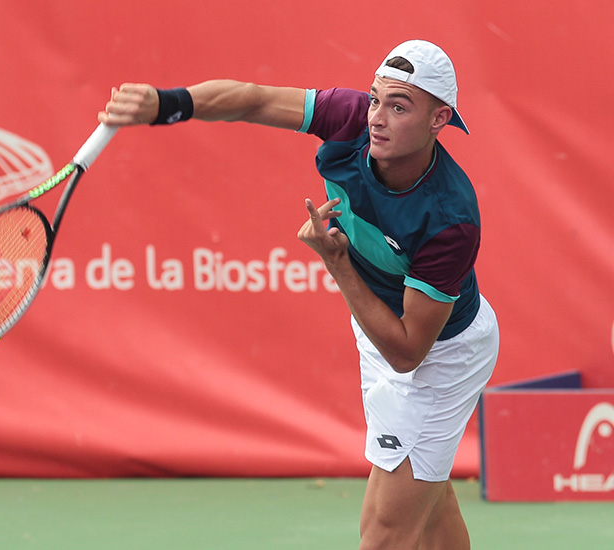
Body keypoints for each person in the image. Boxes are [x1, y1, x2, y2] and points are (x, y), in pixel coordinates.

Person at [99, 40, 499, 549]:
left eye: (399, 107)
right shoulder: (351, 118)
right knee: (427, 493)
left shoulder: (449, 219)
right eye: (376, 99)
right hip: (383, 327)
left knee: (384, 533)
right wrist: (169, 103)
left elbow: (407, 352)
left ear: (439, 118)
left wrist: (337, 264)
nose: (377, 117)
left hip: (440, 357)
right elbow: (253, 99)